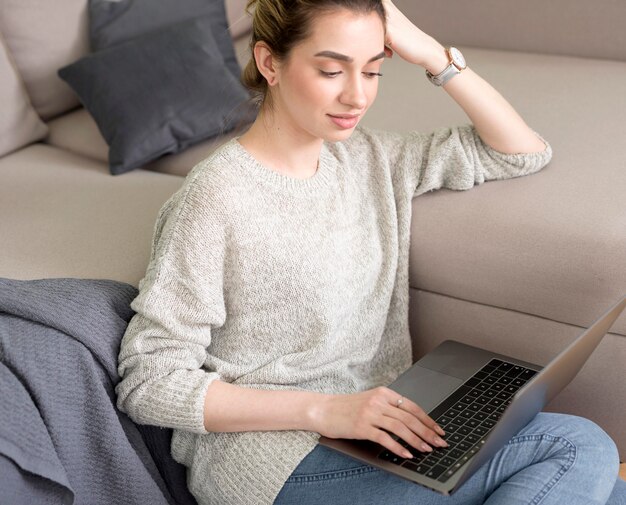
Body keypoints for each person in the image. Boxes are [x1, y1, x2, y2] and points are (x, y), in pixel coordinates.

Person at [115, 0, 626, 504]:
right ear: (271, 63)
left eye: (374, 71)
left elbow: (522, 152)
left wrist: (430, 54)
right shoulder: (215, 198)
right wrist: (325, 412)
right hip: (272, 460)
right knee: (576, 446)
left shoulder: (371, 159)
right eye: (332, 70)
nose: (357, 96)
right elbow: (149, 382)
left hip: (382, 431)